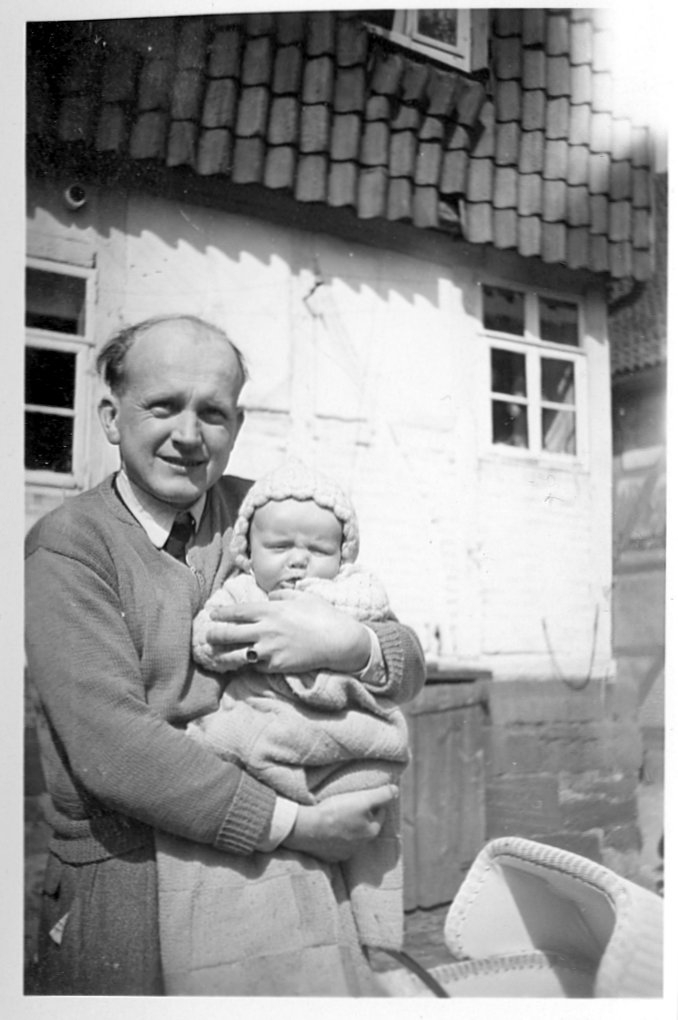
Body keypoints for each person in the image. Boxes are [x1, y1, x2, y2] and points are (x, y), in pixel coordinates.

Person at [24, 314, 426, 996]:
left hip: (275, 876)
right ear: (111, 415)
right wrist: (298, 825)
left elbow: (404, 654)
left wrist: (350, 645)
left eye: (212, 412)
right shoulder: (69, 548)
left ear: (236, 426)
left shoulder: (263, 516)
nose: (188, 435)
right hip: (130, 880)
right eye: (163, 406)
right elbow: (115, 749)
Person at [155, 460, 410, 994]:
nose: (299, 561)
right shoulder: (242, 593)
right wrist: (241, 647)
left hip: (349, 738)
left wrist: (346, 641)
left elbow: (393, 638)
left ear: (343, 555)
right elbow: (208, 635)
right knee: (218, 741)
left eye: (318, 550)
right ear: (248, 550)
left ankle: (386, 949)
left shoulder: (356, 590)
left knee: (377, 841)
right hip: (269, 731)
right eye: (282, 547)